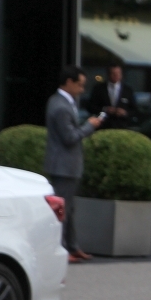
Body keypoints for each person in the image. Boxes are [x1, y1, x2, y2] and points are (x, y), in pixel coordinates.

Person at [43, 65, 103, 262]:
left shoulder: (61, 102)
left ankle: (72, 246)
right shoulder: (60, 105)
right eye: (79, 85)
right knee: (62, 210)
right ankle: (62, 248)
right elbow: (69, 137)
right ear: (68, 82)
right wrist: (90, 126)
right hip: (64, 166)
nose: (82, 90)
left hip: (66, 165)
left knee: (69, 209)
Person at [85, 63, 137, 130]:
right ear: (108, 74)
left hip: (121, 126)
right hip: (103, 126)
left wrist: (124, 113)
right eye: (113, 73)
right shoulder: (99, 89)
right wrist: (105, 109)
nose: (116, 75)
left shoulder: (127, 90)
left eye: (118, 73)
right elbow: (90, 107)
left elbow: (134, 110)